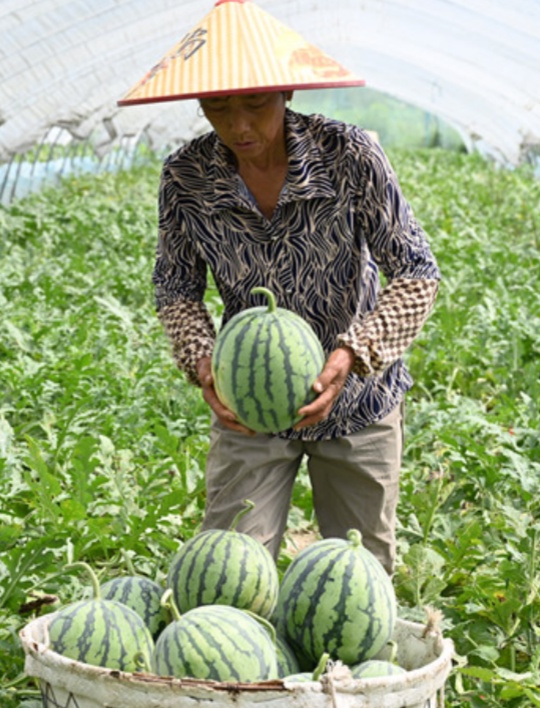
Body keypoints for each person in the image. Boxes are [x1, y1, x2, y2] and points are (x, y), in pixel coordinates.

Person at [118, 0, 439, 574]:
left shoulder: (350, 156)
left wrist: (354, 354)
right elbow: (175, 288)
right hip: (249, 407)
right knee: (230, 572)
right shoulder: (186, 177)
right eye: (218, 106)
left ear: (286, 92)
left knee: (359, 575)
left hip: (359, 400)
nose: (238, 125)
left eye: (255, 103)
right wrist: (203, 362)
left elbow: (416, 271)